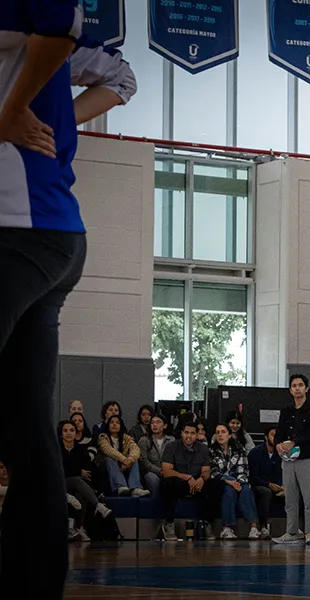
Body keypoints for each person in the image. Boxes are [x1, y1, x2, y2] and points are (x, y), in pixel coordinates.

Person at [0, 8, 136, 589]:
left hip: (17, 231)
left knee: (29, 435)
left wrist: (15, 112)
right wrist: (54, 121)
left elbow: (57, 25)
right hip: (54, 239)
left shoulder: (31, 26)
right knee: (30, 434)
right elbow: (123, 78)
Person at [273, 374, 310, 546]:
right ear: (290, 390)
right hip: (287, 459)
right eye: (294, 385)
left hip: (305, 457)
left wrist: (294, 442)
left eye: (300, 385)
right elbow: (279, 430)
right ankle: (292, 531)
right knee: (290, 497)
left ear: (306, 388)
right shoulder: (286, 410)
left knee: (308, 497)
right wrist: (277, 444)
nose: (297, 388)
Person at [160, 422, 213, 542]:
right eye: (186, 432)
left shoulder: (203, 448)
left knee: (213, 485)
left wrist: (202, 479)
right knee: (167, 484)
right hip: (180, 482)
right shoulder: (172, 446)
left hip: (197, 483)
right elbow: (166, 471)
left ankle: (207, 524)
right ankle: (169, 523)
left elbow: (206, 471)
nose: (189, 436)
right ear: (182, 433)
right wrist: (187, 478)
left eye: (192, 433)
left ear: (197, 435)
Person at [209, 424, 261, 540]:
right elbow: (213, 472)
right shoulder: (211, 450)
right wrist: (230, 481)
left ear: (229, 435)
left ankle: (253, 527)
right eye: (217, 432)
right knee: (229, 490)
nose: (220, 435)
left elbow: (243, 469)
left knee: (246, 490)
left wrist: (238, 482)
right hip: (221, 482)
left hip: (238, 481)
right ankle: (227, 527)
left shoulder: (239, 449)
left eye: (223, 432)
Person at [96, 415, 150, 497]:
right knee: (110, 458)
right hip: (106, 465)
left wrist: (130, 459)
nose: (114, 424)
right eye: (112, 422)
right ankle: (121, 486)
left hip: (123, 464)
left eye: (117, 423)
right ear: (108, 425)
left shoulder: (127, 438)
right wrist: (124, 460)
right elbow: (109, 450)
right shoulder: (103, 437)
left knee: (134, 459)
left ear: (121, 426)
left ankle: (135, 488)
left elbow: (135, 449)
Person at [249, 426, 283, 540]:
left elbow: (282, 472)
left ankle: (295, 527)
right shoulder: (255, 453)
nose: (276, 438)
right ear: (266, 437)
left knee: (293, 491)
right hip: (259, 485)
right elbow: (253, 477)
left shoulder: (281, 453)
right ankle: (263, 527)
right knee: (265, 492)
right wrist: (268, 484)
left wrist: (283, 485)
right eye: (273, 435)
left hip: (277, 486)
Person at [138, 413, 175, 498]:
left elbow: (174, 458)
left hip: (168, 471)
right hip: (150, 472)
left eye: (158, 422)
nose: (154, 425)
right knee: (154, 480)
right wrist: (160, 471)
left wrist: (168, 471)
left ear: (165, 425)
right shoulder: (144, 440)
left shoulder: (171, 440)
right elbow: (144, 461)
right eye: (152, 422)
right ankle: (155, 504)